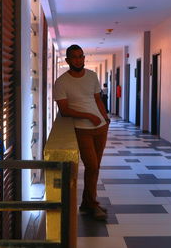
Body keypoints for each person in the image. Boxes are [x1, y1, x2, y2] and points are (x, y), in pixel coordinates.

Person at [54, 44, 110, 220]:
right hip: (82, 129)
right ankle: (91, 204)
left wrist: (105, 118)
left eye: (81, 56)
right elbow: (64, 110)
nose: (78, 60)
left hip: (100, 127)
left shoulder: (92, 76)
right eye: (74, 57)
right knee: (91, 166)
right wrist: (87, 116)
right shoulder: (61, 82)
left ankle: (88, 203)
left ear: (84, 58)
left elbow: (97, 99)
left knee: (95, 168)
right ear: (68, 60)